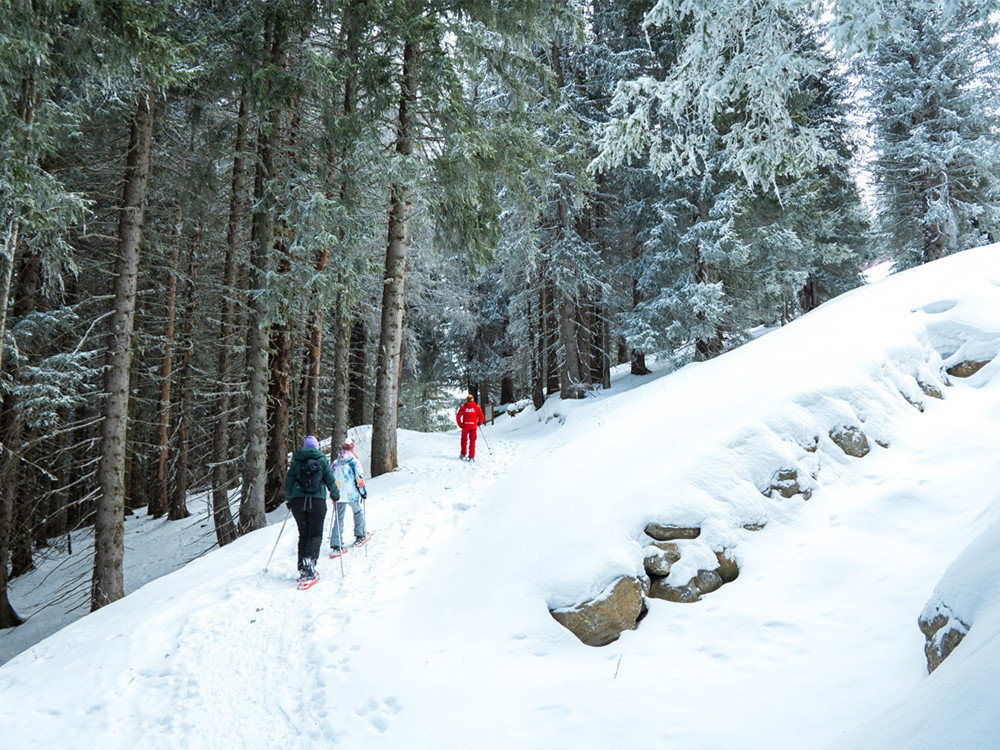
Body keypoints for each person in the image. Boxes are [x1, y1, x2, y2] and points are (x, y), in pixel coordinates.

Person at [285, 435, 339, 584]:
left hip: (298, 502)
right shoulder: (322, 460)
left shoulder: (297, 461)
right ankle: (310, 562)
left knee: (303, 534)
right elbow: (330, 479)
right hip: (317, 502)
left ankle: (303, 567)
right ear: (317, 447)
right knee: (315, 533)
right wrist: (335, 495)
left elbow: (289, 481)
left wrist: (289, 500)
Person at [330, 435, 368, 553]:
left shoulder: (336, 462)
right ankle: (360, 535)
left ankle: (337, 543)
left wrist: (333, 492)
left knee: (339, 517)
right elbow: (359, 477)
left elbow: (330, 476)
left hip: (339, 493)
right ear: (352, 449)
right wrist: (363, 492)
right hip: (352, 493)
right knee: (357, 512)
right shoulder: (354, 461)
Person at [456, 394, 485, 462]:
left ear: (467, 400)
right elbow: (481, 417)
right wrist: (479, 423)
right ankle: (471, 457)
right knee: (472, 441)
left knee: (464, 440)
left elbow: (458, 416)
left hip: (465, 426)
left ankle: (463, 454)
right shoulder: (477, 407)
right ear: (473, 400)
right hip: (473, 426)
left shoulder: (463, 407)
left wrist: (460, 424)